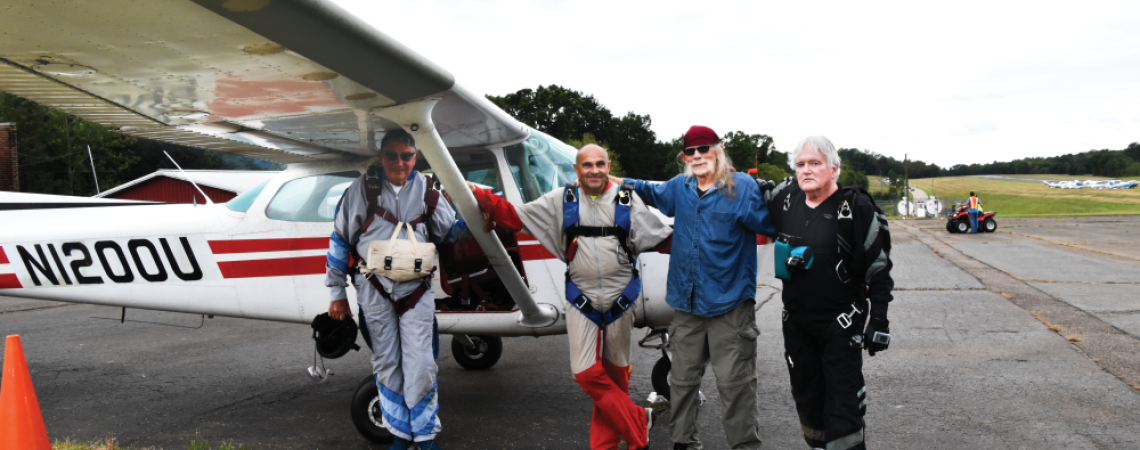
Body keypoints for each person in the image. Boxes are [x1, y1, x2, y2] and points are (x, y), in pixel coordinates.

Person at [466, 144, 672, 450]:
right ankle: (637, 421)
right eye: (586, 165)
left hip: (622, 297)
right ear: (576, 169)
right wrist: (472, 193)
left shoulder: (628, 199)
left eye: (600, 164)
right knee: (586, 373)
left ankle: (604, 446)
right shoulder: (562, 200)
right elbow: (516, 216)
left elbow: (663, 239)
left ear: (608, 165)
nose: (594, 170)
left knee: (616, 377)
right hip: (582, 299)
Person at [620, 125, 774, 450]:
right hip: (686, 305)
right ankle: (683, 443)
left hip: (730, 306)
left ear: (718, 148)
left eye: (704, 148)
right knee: (682, 381)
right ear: (683, 157)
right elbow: (648, 191)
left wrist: (779, 196)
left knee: (736, 385)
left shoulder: (742, 187)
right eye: (691, 151)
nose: (698, 156)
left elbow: (773, 223)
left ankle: (745, 446)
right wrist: (612, 180)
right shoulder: (681, 186)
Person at [325, 129, 463, 450]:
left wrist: (478, 216)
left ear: (416, 157)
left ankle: (425, 436)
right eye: (392, 155)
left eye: (407, 156)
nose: (399, 162)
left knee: (422, 363)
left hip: (416, 291)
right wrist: (336, 293)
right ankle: (400, 436)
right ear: (381, 157)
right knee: (387, 363)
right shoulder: (362, 189)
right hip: (373, 289)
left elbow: (449, 233)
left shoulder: (430, 190)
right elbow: (340, 240)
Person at [759, 136, 894, 450]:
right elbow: (746, 189)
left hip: (841, 326)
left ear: (834, 168)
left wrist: (880, 320)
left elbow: (878, 268)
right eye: (801, 164)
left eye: (815, 163)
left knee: (843, 407)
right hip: (796, 326)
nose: (806, 170)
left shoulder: (856, 208)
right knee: (808, 402)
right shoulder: (785, 198)